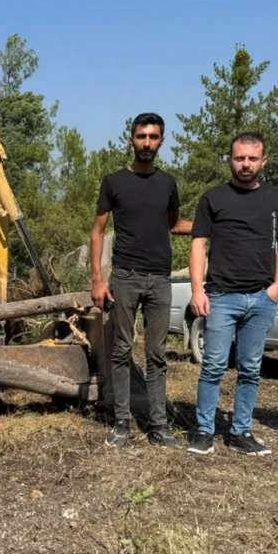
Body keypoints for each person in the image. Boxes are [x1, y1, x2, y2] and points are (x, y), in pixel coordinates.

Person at [187, 132, 278, 456]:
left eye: (252, 159)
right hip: (221, 296)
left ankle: (240, 432)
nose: (245, 165)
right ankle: (204, 430)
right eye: (239, 158)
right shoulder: (213, 198)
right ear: (229, 160)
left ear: (263, 161)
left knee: (250, 369)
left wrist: (276, 287)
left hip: (261, 297)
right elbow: (198, 245)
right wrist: (197, 290)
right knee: (214, 366)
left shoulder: (276, 198)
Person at [91, 112, 192, 449]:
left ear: (162, 141)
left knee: (157, 355)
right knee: (121, 351)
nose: (147, 143)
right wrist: (97, 280)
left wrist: (215, 223)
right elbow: (97, 231)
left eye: (153, 137)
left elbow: (175, 225)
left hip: (160, 280)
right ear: (131, 139)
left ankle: (158, 425)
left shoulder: (168, 183)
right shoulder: (114, 182)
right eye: (141, 136)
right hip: (125, 277)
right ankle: (120, 422)